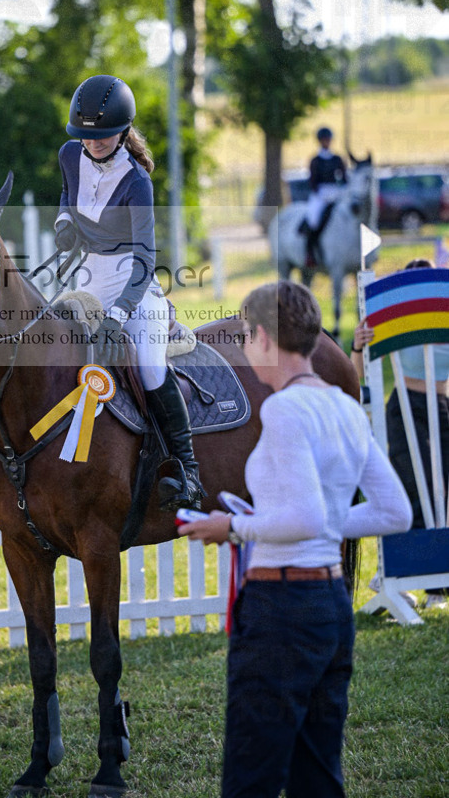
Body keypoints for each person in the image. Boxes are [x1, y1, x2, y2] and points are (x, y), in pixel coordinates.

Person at [179, 280, 412, 798]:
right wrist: (325, 521)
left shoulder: (282, 410)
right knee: (319, 774)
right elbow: (395, 511)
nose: (241, 348)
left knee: (250, 777)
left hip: (281, 605)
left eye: (244, 335)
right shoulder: (347, 409)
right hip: (331, 606)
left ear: (264, 336)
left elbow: (304, 516)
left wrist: (233, 526)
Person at [54, 73, 205, 511]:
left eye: (103, 137)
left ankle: (188, 470)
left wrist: (119, 313)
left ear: (123, 132)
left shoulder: (137, 181)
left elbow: (145, 259)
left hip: (133, 286)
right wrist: (65, 223)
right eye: (87, 136)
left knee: (151, 366)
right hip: (86, 279)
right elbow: (68, 192)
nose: (94, 143)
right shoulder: (70, 153)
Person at [351, 258, 449, 608]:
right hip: (405, 406)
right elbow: (354, 376)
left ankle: (437, 586)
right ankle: (392, 573)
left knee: (444, 495)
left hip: (441, 406)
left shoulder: (443, 316)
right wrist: (359, 344)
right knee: (411, 491)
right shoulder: (398, 318)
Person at [302, 126, 348, 267]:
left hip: (336, 193)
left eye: (328, 140)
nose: (326, 142)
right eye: (324, 140)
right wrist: (321, 194)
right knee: (313, 219)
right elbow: (312, 181)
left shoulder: (337, 159)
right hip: (320, 194)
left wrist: (342, 190)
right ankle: (310, 253)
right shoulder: (315, 160)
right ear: (320, 141)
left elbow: (345, 178)